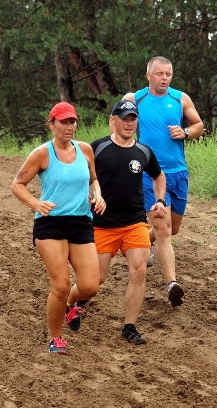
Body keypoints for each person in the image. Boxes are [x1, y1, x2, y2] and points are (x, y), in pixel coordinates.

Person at [11, 101, 106, 355]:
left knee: (90, 285)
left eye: (72, 121)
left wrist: (98, 195)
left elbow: (94, 179)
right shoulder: (42, 153)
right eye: (63, 121)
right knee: (61, 284)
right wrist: (35, 203)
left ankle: (70, 304)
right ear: (51, 124)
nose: (69, 126)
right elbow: (17, 184)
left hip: (81, 222)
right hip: (50, 224)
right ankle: (55, 337)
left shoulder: (85, 150)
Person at [123, 56, 205, 307]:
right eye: (159, 74)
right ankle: (172, 283)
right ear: (148, 75)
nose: (164, 78)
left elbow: (199, 124)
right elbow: (117, 125)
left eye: (168, 74)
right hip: (149, 175)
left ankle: (142, 241)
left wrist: (187, 132)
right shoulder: (135, 99)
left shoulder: (180, 99)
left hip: (178, 173)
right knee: (165, 231)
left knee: (173, 228)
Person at [85, 100, 167, 345]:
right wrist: (93, 196)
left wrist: (161, 200)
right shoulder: (97, 148)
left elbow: (158, 175)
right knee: (96, 280)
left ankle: (129, 326)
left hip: (134, 222)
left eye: (133, 119)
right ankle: (74, 303)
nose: (129, 123)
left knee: (139, 271)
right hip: (102, 224)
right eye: (124, 118)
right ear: (113, 120)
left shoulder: (143, 151)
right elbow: (84, 177)